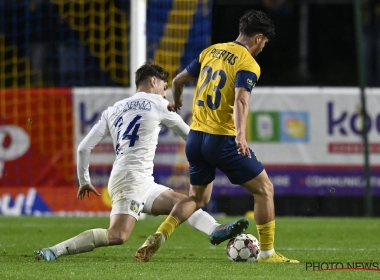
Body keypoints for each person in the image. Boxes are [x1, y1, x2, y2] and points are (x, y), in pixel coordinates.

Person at [34, 61, 249, 261]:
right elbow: (192, 136)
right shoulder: (158, 103)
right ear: (153, 82)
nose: (165, 94)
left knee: (182, 202)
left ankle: (215, 229)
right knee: (118, 235)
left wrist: (84, 180)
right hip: (131, 181)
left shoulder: (113, 110)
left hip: (135, 178)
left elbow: (83, 148)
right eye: (164, 87)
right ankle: (55, 250)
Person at [135, 10, 298, 263]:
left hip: (196, 139)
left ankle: (159, 235)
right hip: (222, 140)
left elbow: (178, 80)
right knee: (265, 190)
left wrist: (176, 102)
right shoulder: (248, 62)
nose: (263, 48)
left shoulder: (210, 51)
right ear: (257, 38)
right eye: (264, 43)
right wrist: (241, 135)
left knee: (197, 198)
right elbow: (242, 98)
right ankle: (267, 254)